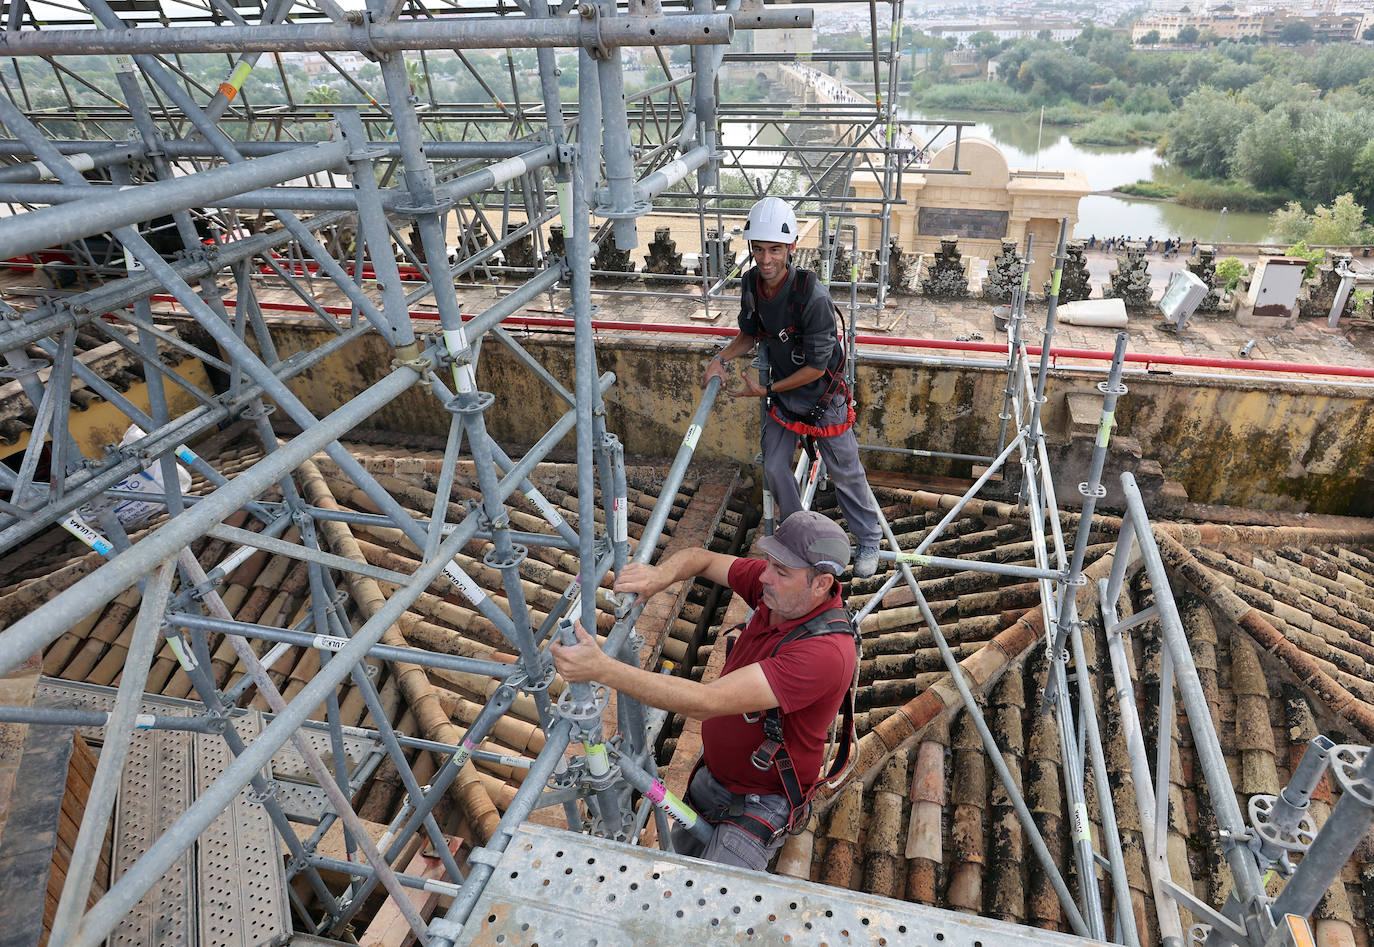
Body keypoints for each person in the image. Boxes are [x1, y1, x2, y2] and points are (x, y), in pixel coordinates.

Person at [550, 510, 860, 872]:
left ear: (821, 584)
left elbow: (705, 702)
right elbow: (704, 558)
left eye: (781, 571)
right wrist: (659, 576)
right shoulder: (778, 592)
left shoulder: (824, 654)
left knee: (706, 903)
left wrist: (602, 668)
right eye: (769, 563)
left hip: (763, 800)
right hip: (714, 778)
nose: (765, 576)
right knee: (676, 870)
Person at [704, 196, 883, 579]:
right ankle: (798, 533)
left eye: (775, 249)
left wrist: (767, 392)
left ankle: (869, 539)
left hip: (822, 396)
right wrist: (721, 358)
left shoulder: (811, 297)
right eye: (758, 249)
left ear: (792, 248)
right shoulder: (752, 282)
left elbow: (818, 368)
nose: (765, 259)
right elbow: (750, 334)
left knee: (845, 470)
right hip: (784, 394)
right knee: (773, 466)